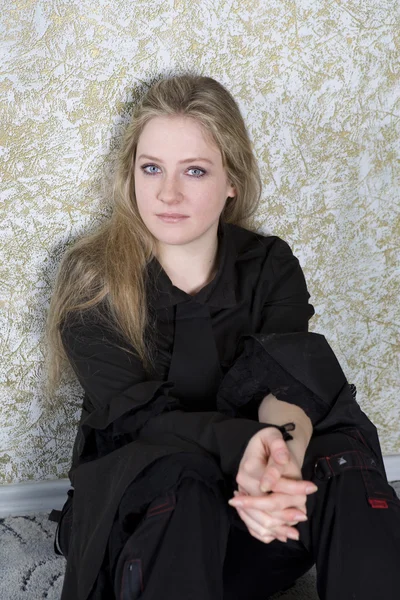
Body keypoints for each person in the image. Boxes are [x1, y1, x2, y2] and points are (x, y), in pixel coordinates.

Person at [45, 73, 400, 600]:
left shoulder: (269, 263)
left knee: (344, 457)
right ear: (131, 177)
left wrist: (279, 461)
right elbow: (142, 420)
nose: (168, 193)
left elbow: (288, 386)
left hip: (260, 523)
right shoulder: (93, 277)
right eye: (151, 169)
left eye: (194, 170)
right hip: (148, 518)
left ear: (231, 180)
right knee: (181, 472)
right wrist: (245, 446)